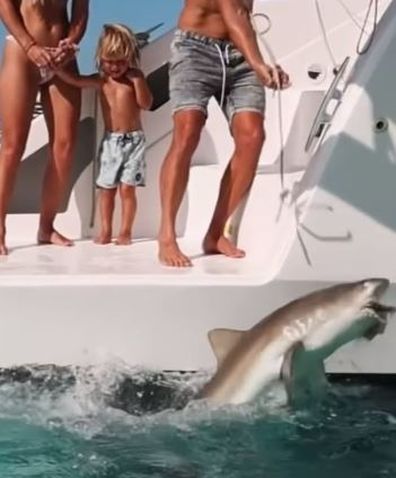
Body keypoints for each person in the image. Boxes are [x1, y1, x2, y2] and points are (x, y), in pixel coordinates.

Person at [158, 0, 290, 267]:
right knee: (187, 131)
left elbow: (242, 16)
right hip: (195, 48)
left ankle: (215, 233)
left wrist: (259, 63)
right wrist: (259, 64)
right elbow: (232, 8)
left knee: (252, 138)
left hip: (240, 51)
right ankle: (166, 236)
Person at [0, 0, 89, 255]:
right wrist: (30, 46)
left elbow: (81, 11)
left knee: (65, 146)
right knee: (12, 146)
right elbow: (5, 6)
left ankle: (46, 226)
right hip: (22, 52)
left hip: (62, 58)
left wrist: (71, 42)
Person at [54, 24, 153, 245]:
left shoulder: (133, 79)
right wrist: (57, 67)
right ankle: (106, 230)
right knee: (107, 189)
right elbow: (75, 81)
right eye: (110, 61)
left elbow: (146, 104)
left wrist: (138, 81)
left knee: (128, 190)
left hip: (135, 141)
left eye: (121, 61)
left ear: (130, 58)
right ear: (101, 58)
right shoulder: (102, 81)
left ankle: (125, 231)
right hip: (111, 143)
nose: (115, 67)